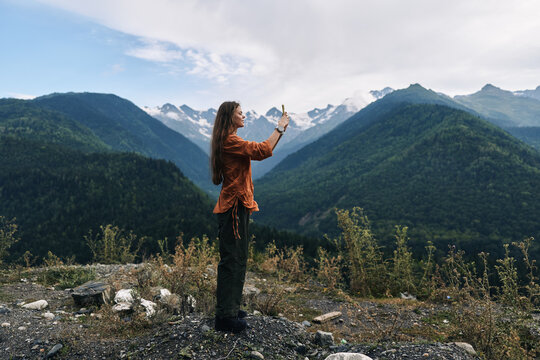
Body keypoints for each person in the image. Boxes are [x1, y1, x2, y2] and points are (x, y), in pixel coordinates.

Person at [210, 101, 290, 333]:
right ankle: (225, 317)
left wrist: (280, 131)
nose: (244, 116)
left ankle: (231, 308)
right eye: (240, 113)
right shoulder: (230, 140)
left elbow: (264, 150)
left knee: (237, 257)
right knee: (233, 260)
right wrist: (280, 128)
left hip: (238, 205)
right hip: (234, 207)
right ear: (229, 117)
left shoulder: (227, 138)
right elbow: (262, 151)